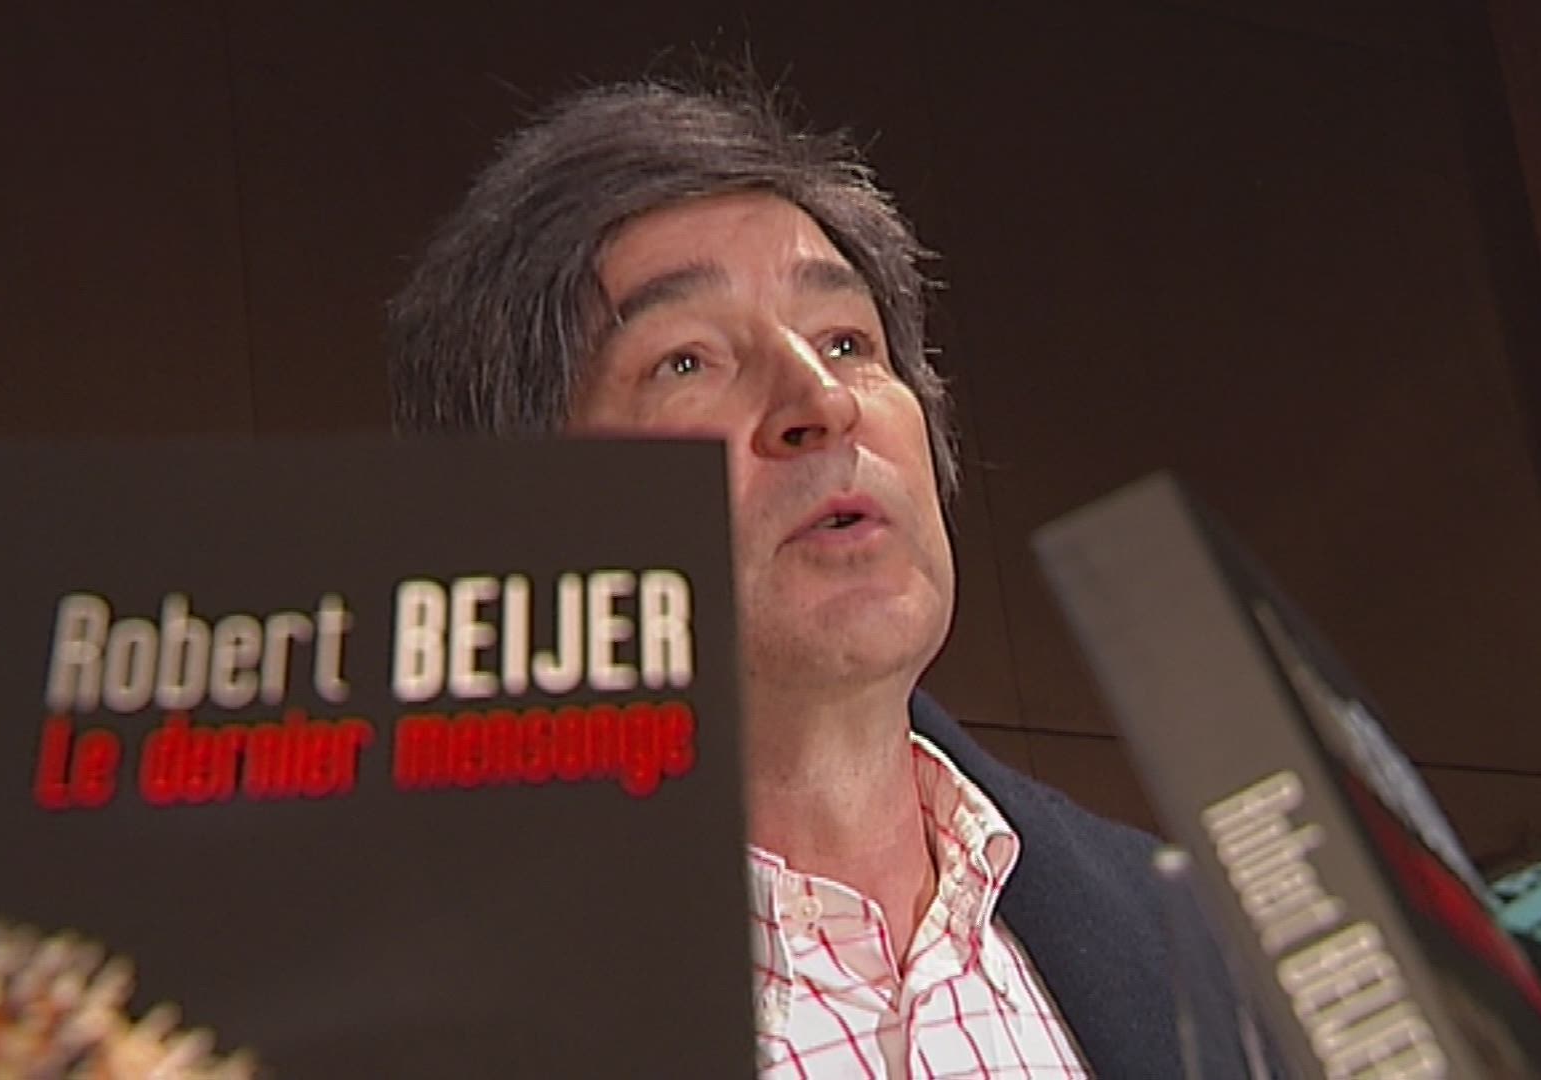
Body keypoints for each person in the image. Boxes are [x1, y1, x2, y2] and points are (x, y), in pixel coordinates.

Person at [388, 73, 1257, 1078]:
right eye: (687, 361)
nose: (822, 400)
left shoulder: (1208, 958)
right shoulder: (405, 1015)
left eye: (847, 342)